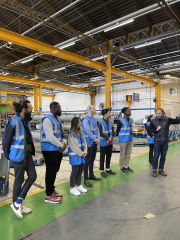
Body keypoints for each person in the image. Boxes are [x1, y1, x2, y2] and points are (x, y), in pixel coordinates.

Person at [2, 100, 36, 219]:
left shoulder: (25, 121)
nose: (32, 110)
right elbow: (5, 143)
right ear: (23, 110)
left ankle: (18, 203)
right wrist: (9, 157)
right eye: (30, 108)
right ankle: (17, 204)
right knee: (19, 181)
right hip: (17, 156)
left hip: (27, 155)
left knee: (33, 176)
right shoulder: (13, 122)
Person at [41, 102, 66, 203]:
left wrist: (63, 144)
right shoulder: (47, 120)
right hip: (49, 149)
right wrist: (61, 145)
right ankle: (48, 195)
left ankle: (51, 190)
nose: (60, 110)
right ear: (54, 108)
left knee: (55, 170)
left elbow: (60, 134)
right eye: (59, 108)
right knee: (50, 171)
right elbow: (50, 136)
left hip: (56, 149)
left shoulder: (57, 119)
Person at [149, 108, 180, 177]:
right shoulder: (153, 121)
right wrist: (156, 130)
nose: (158, 115)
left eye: (159, 113)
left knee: (163, 156)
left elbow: (177, 121)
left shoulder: (167, 120)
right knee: (156, 156)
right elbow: (150, 129)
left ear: (162, 113)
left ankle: (161, 169)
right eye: (157, 113)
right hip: (157, 141)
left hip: (165, 142)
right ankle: (154, 169)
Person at [81, 105, 101, 188]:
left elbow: (97, 129)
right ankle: (86, 179)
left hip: (94, 143)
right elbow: (88, 131)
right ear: (90, 109)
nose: (95, 109)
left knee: (92, 160)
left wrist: (98, 137)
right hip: (89, 143)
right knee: (87, 162)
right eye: (94, 108)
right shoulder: (86, 119)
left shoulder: (94, 119)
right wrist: (95, 139)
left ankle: (91, 175)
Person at [68, 117, 88, 196]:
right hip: (75, 156)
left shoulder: (80, 132)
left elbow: (84, 142)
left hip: (81, 156)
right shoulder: (71, 134)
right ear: (75, 123)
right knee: (74, 172)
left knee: (80, 172)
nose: (80, 124)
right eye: (79, 122)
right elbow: (73, 146)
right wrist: (81, 153)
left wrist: (85, 151)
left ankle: (78, 185)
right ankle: (72, 188)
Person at [97, 108, 116, 178]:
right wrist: (108, 138)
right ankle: (102, 170)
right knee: (102, 157)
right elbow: (100, 132)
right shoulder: (100, 122)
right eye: (108, 113)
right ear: (105, 114)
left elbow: (113, 129)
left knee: (109, 156)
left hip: (110, 142)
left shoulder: (110, 121)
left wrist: (114, 136)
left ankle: (108, 169)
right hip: (103, 142)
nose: (110, 114)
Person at [116, 107, 134, 174]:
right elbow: (117, 130)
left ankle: (126, 166)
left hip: (129, 139)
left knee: (128, 154)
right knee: (122, 154)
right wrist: (118, 137)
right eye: (128, 111)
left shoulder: (131, 120)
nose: (130, 112)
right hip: (123, 139)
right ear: (125, 113)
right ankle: (121, 167)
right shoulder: (120, 120)